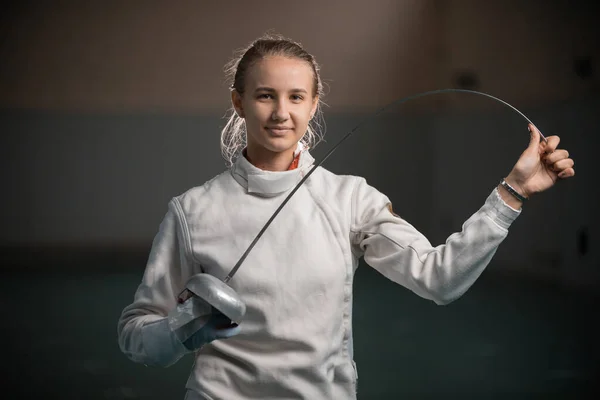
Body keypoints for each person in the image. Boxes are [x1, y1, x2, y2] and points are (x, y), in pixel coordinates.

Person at [117, 33, 575, 400]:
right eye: (264, 96)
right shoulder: (193, 210)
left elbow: (441, 279)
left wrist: (511, 193)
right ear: (239, 103)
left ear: (313, 105)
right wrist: (182, 328)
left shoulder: (348, 199)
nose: (281, 112)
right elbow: (137, 335)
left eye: (296, 97)